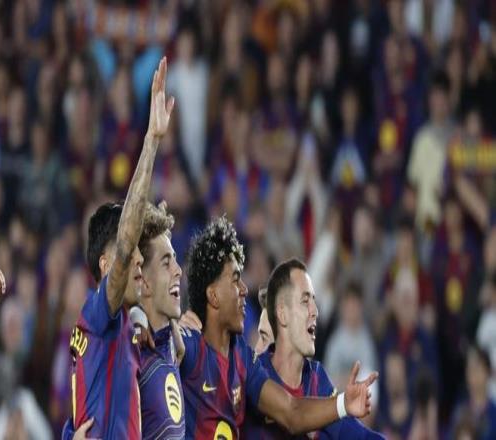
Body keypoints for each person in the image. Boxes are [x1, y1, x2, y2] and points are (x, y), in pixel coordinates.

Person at [179, 216, 377, 439]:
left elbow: (292, 413)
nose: (244, 288)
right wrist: (166, 329)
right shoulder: (189, 344)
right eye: (235, 280)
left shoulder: (244, 360)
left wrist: (342, 404)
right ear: (213, 296)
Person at [63, 57, 174, 439]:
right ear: (106, 263)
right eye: (129, 253)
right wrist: (151, 142)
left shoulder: (111, 328)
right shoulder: (99, 313)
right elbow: (127, 247)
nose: (139, 258)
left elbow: (75, 421)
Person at [243, 258, 384, 439]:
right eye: (305, 301)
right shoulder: (253, 373)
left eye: (314, 301)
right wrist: (342, 404)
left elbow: (359, 435)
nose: (315, 311)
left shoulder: (317, 379)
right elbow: (293, 414)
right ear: (282, 314)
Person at [136, 201, 186, 439]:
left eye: (175, 259)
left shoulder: (178, 345)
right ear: (144, 282)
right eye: (166, 263)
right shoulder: (130, 359)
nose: (178, 270)